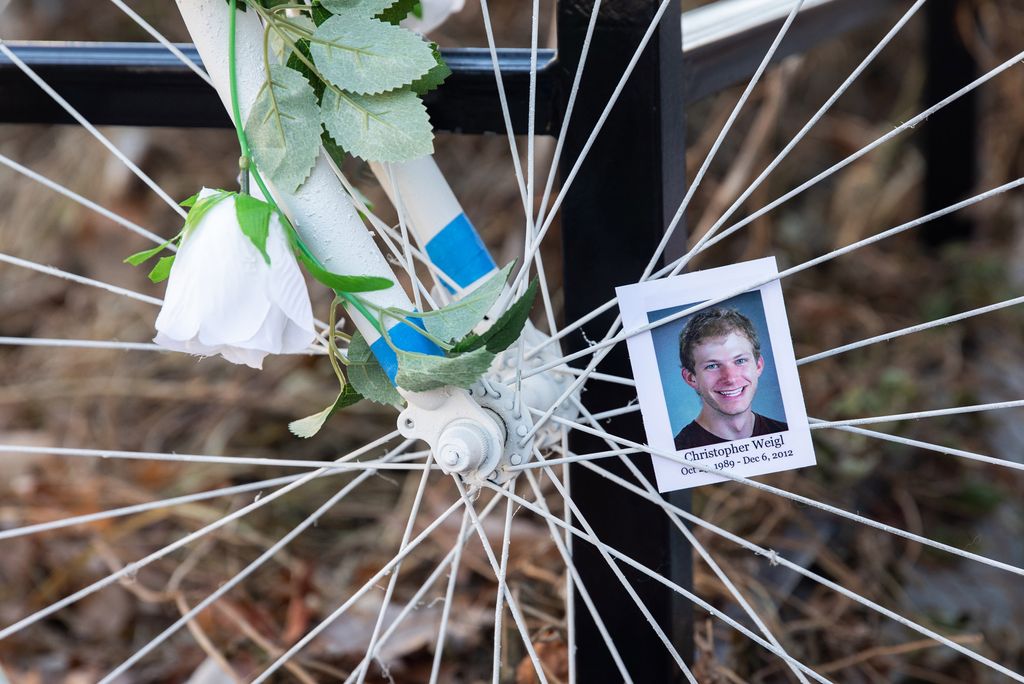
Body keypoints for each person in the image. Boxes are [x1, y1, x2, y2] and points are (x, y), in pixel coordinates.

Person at [674, 307, 787, 449]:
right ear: (691, 378)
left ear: (758, 366)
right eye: (712, 366)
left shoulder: (787, 435)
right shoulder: (677, 456)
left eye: (740, 361)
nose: (730, 378)